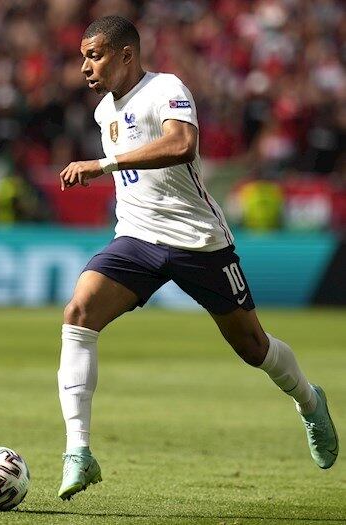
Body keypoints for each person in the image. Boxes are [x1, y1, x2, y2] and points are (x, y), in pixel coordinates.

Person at [56, 15, 338, 501]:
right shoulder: (104, 111)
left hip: (198, 241)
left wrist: (103, 164)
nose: (85, 67)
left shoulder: (166, 88)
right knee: (79, 313)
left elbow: (183, 145)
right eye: (84, 57)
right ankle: (78, 451)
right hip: (137, 238)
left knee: (253, 346)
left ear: (126, 54)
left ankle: (310, 402)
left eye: (95, 55)